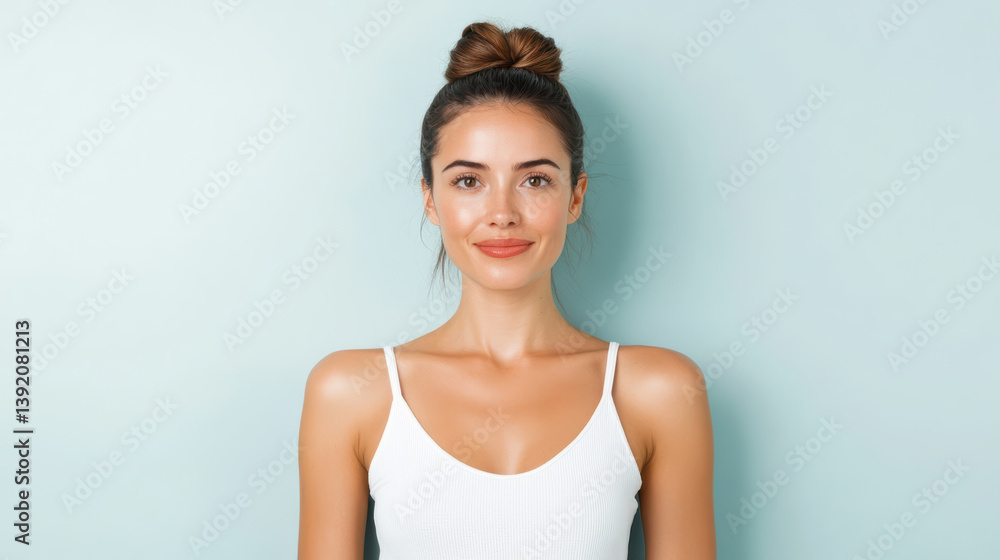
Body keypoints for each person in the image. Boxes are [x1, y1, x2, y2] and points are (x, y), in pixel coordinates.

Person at [297, 20, 716, 559]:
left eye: (535, 179)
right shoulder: (351, 392)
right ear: (430, 198)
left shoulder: (656, 391)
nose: (502, 214)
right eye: (468, 181)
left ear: (575, 196)